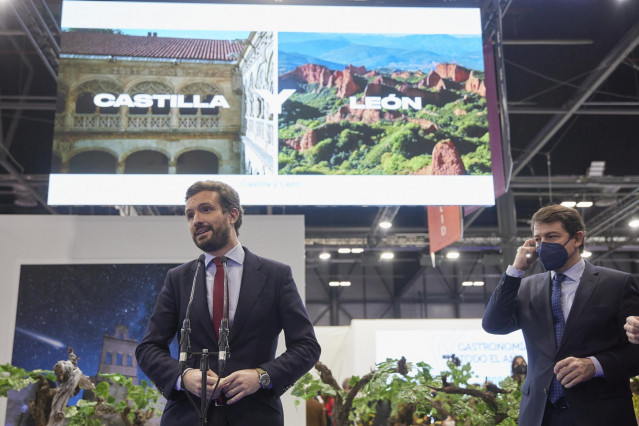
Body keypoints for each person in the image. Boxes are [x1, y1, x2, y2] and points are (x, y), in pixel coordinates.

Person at [136, 180, 321, 425]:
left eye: (205, 209)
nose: (196, 220)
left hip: (255, 416)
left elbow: (306, 346)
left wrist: (262, 376)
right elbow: (148, 348)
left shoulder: (276, 276)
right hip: (188, 415)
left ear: (232, 214)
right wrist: (184, 376)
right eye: (190, 215)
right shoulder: (178, 279)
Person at [482, 204, 639, 426]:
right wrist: (514, 272)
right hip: (540, 414)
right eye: (537, 239)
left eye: (552, 236)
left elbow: (636, 352)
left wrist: (595, 366)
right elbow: (494, 325)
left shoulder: (617, 284)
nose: (543, 245)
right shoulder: (526, 287)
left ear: (577, 238)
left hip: (600, 413)